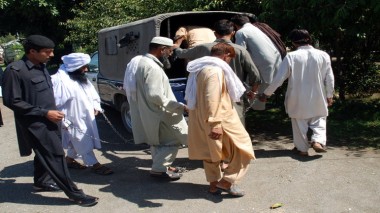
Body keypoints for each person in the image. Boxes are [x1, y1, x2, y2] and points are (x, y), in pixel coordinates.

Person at [2, 35, 98, 206]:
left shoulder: (41, 67)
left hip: (51, 120)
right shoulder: (15, 70)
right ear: (32, 52)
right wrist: (45, 113)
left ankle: (41, 181)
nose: (52, 55)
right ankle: (75, 194)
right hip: (35, 123)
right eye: (47, 52)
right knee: (55, 155)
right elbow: (12, 101)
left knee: (44, 153)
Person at [185, 42, 255, 197]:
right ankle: (227, 181)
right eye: (230, 59)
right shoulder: (215, 71)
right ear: (226, 55)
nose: (229, 62)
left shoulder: (200, 68)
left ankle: (213, 186)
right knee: (244, 148)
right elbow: (212, 97)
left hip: (202, 117)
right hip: (220, 118)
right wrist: (215, 123)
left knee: (212, 153)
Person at [259, 29, 335, 156]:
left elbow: (279, 78)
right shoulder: (323, 55)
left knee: (299, 123)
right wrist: (329, 95)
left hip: (297, 97)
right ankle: (318, 140)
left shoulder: (291, 56)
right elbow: (329, 77)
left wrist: (267, 93)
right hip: (318, 95)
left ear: (294, 43)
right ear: (309, 39)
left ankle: (302, 149)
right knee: (320, 118)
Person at [123, 36, 188, 181]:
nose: (171, 54)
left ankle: (162, 165)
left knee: (158, 141)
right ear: (162, 49)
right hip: (160, 112)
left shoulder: (142, 63)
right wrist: (180, 107)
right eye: (170, 51)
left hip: (150, 112)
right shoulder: (152, 67)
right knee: (173, 140)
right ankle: (159, 170)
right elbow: (155, 95)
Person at [174, 19, 261, 125]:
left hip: (208, 97)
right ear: (233, 33)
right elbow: (255, 76)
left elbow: (181, 54)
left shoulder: (202, 48)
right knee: (236, 129)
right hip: (234, 97)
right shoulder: (240, 50)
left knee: (211, 129)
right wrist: (253, 92)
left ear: (215, 33)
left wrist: (177, 45)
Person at [51, 53, 113, 175]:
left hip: (87, 116)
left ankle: (68, 160)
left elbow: (91, 93)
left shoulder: (80, 77)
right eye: (83, 66)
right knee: (81, 139)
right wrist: (63, 121)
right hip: (72, 118)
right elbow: (55, 103)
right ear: (74, 66)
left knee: (80, 139)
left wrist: (96, 106)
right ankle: (95, 164)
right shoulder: (59, 80)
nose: (86, 69)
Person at [231, 14, 282, 110]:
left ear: (234, 25)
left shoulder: (241, 32)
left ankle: (249, 110)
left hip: (264, 65)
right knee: (262, 90)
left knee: (252, 92)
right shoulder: (257, 29)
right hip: (276, 62)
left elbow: (240, 52)